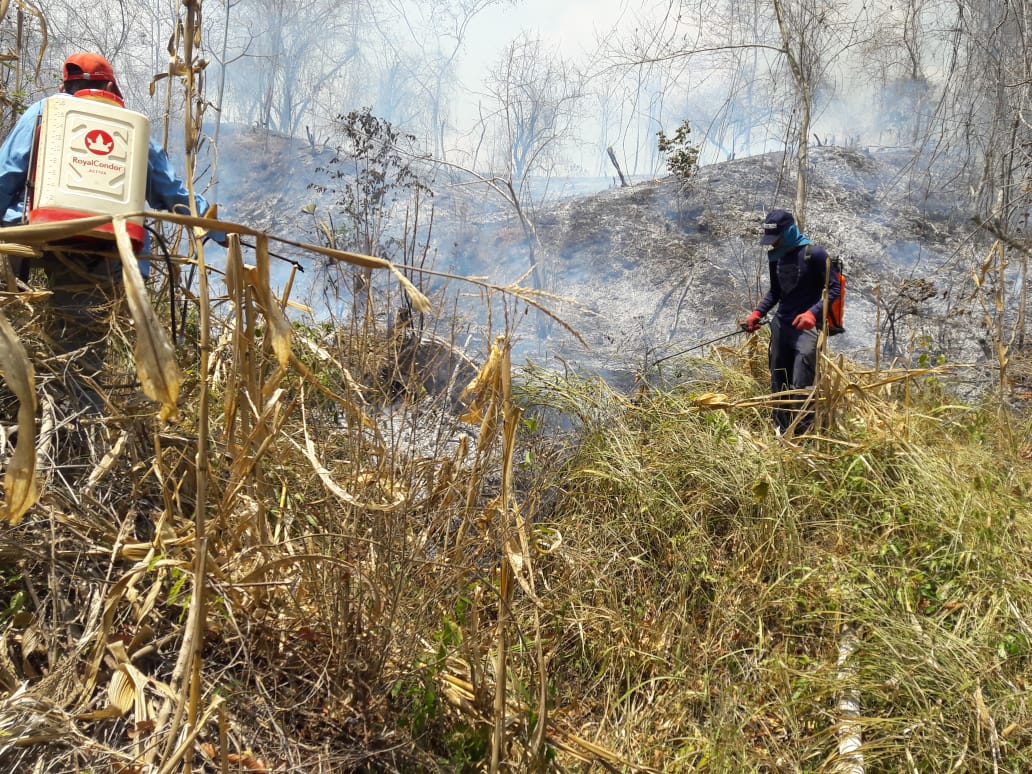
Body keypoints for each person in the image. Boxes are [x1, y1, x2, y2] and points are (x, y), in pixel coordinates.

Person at [0, 52, 222, 390]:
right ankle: (78, 426)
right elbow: (171, 193)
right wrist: (212, 224)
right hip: (109, 249)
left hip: (38, 233)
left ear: (66, 85)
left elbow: (7, 174)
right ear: (109, 85)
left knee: (12, 328)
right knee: (82, 349)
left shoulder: (46, 111)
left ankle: (20, 403)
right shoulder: (132, 127)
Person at [742, 209, 841, 435]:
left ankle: (803, 437)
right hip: (781, 327)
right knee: (779, 382)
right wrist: (757, 313)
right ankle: (780, 432)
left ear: (789, 231)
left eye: (776, 238)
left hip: (806, 330)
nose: (773, 243)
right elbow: (775, 292)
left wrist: (812, 313)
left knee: (802, 385)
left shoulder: (814, 254)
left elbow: (835, 288)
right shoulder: (776, 257)